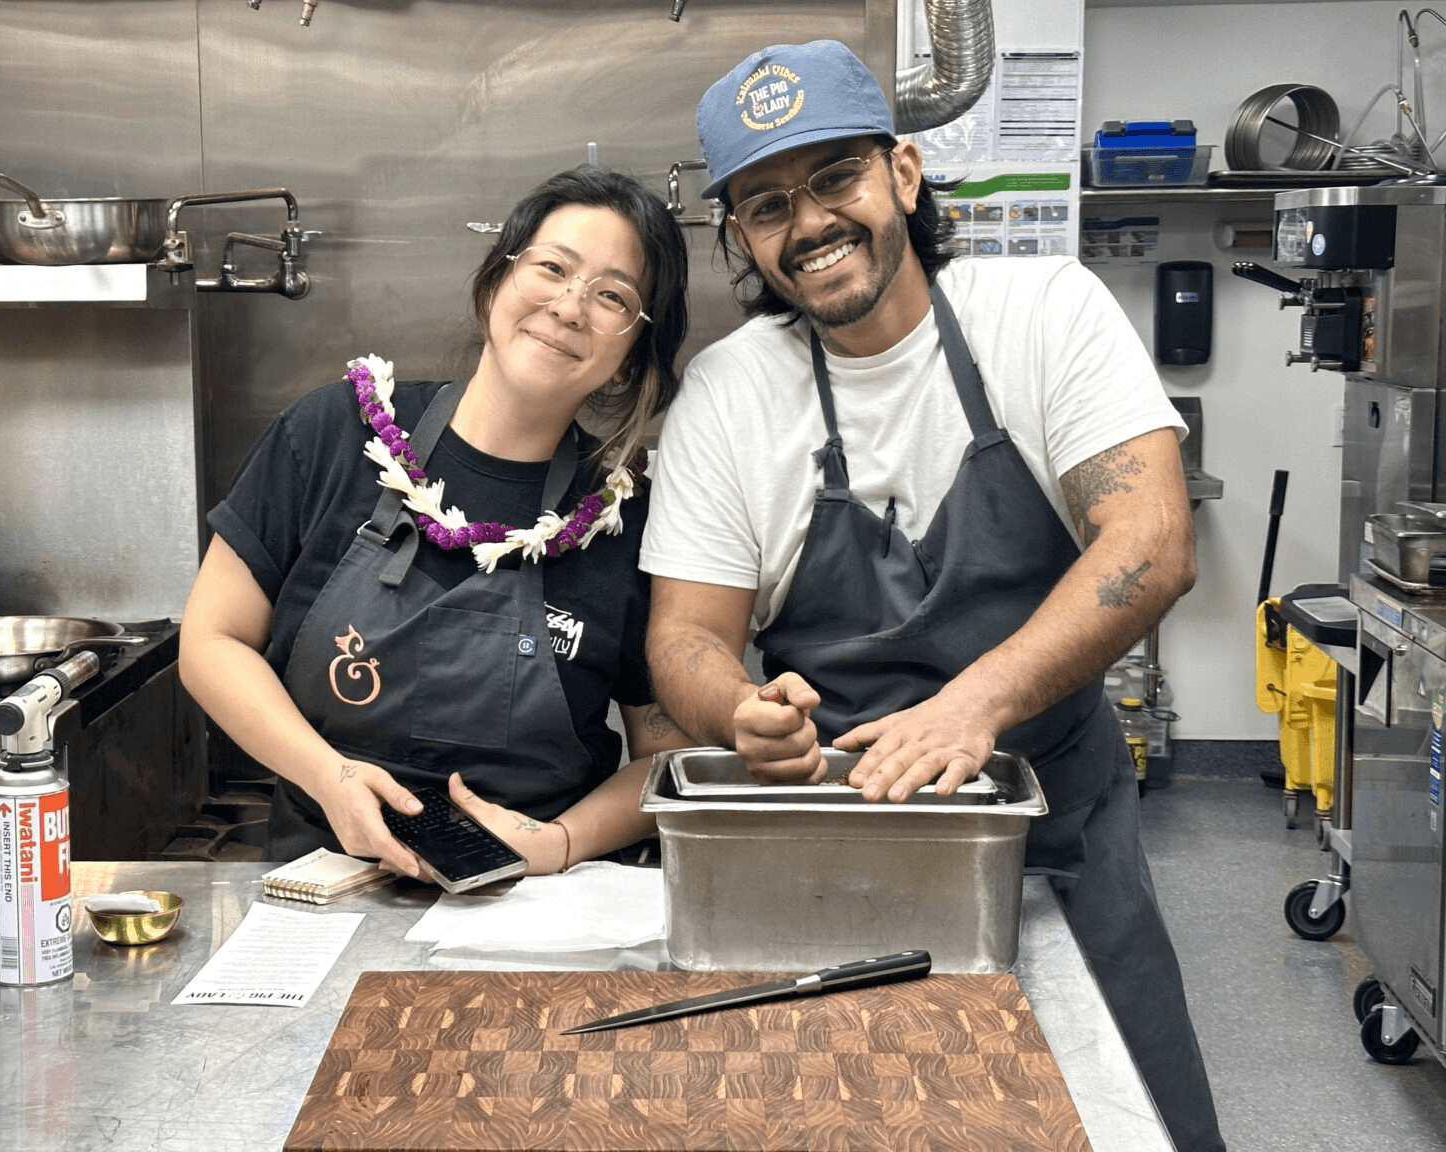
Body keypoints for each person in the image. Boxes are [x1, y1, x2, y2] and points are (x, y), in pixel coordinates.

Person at [640, 40, 1224, 1152]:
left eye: (834, 178)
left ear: (902, 173)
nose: (809, 223)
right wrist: (738, 713)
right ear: (741, 237)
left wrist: (977, 703)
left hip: (1054, 825)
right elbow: (685, 638)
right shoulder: (728, 392)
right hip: (838, 838)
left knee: (1124, 1117)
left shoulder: (1042, 310)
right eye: (767, 204)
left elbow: (1151, 540)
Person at [180, 165, 694, 880]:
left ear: (629, 359)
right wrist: (330, 776)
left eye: (612, 296)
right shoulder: (334, 434)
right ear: (494, 285)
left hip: (536, 902)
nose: (570, 307)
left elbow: (667, 753)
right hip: (322, 883)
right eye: (552, 267)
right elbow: (211, 640)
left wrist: (560, 843)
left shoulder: (622, 518)